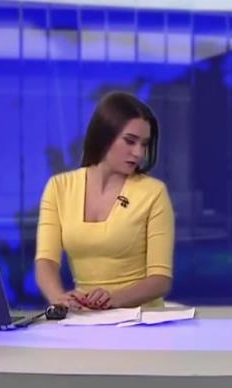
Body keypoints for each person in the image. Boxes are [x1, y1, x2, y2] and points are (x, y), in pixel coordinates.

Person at [35, 92, 174, 310]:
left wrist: (114, 298)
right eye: (130, 141)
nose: (138, 153)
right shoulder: (58, 188)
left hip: (141, 319)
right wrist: (58, 298)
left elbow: (160, 280)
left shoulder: (153, 193)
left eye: (144, 144)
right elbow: (46, 261)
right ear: (104, 136)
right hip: (85, 317)